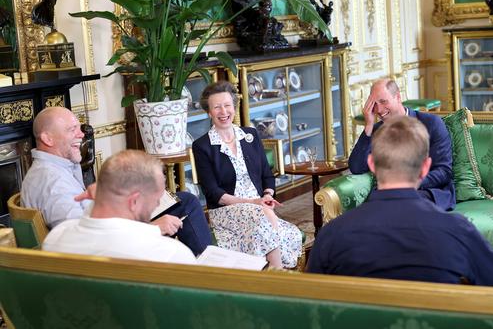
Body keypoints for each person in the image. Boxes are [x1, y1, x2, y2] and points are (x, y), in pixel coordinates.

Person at [307, 116, 493, 287]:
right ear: (425, 168)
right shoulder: (458, 231)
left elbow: (309, 306)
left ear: (371, 164)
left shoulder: (332, 234)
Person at [21, 107, 211, 256]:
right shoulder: (53, 184)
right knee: (187, 205)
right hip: (110, 245)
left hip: (109, 226)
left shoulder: (54, 169)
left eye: (79, 128)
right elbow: (86, 241)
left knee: (183, 200)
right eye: (72, 130)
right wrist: (152, 229)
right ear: (48, 138)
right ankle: (213, 274)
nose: (81, 135)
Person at [192, 81, 302, 269]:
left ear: (234, 107)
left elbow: (267, 175)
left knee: (283, 230)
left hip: (260, 208)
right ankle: (278, 275)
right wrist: (253, 203)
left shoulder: (250, 135)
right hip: (227, 211)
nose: (223, 112)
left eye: (227, 105)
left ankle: (271, 278)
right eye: (217, 107)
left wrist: (267, 196)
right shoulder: (202, 146)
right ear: (209, 112)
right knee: (265, 222)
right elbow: (213, 193)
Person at [43, 150, 197, 264]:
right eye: (156, 199)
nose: (157, 204)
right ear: (134, 201)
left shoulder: (55, 238)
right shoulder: (170, 254)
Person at [348, 78, 455, 210]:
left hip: (429, 191)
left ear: (398, 97)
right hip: (388, 195)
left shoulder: (432, 123)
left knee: (399, 206)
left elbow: (444, 172)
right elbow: (356, 168)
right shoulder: (376, 130)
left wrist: (407, 185)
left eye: (383, 101)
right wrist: (369, 125)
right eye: (374, 104)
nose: (379, 110)